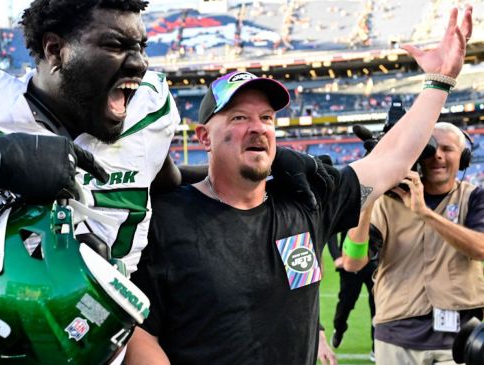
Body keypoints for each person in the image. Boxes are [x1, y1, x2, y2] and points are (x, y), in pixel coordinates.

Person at [0, 0, 324, 363]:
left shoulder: (149, 109)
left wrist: (264, 172)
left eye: (140, 46)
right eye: (115, 45)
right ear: (55, 50)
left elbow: (165, 183)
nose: (138, 64)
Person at [125, 6, 473, 364]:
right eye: (239, 117)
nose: (258, 127)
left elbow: (389, 161)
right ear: (204, 137)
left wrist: (438, 82)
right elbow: (139, 332)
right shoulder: (166, 218)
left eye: (267, 118)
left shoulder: (308, 202)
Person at [342, 122, 484, 364]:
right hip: (395, 339)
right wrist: (369, 193)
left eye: (448, 149)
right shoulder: (386, 202)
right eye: (430, 148)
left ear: (464, 158)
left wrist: (424, 213)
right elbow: (353, 262)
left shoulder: (474, 197)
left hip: (459, 341)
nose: (438, 155)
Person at [326, 230, 376, 356]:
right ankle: (339, 329)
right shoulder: (349, 209)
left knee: (378, 305)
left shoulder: (382, 209)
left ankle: (377, 346)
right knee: (346, 303)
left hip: (375, 264)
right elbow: (332, 228)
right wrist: (336, 256)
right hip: (350, 260)